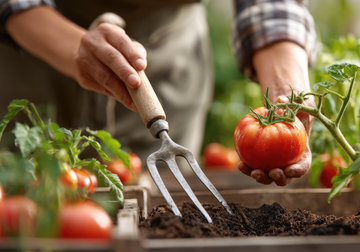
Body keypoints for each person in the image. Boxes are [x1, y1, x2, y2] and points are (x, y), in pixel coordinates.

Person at [0, 0, 316, 186]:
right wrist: (71, 47)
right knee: (34, 201)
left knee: (163, 213)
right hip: (37, 52)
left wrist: (286, 86)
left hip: (169, 60)